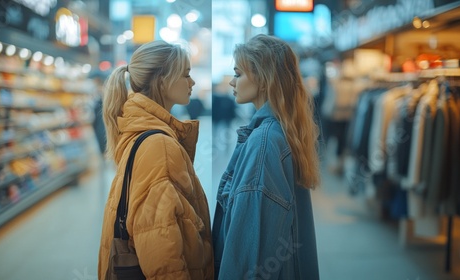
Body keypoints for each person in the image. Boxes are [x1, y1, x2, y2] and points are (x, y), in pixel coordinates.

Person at [98, 40, 214, 280]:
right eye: (186, 75)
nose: (192, 83)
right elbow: (161, 247)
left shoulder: (142, 131)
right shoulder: (158, 145)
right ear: (163, 80)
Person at [212, 34, 321, 280]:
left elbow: (249, 258)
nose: (232, 82)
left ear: (262, 78)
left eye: (238, 74)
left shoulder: (263, 144)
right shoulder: (280, 131)